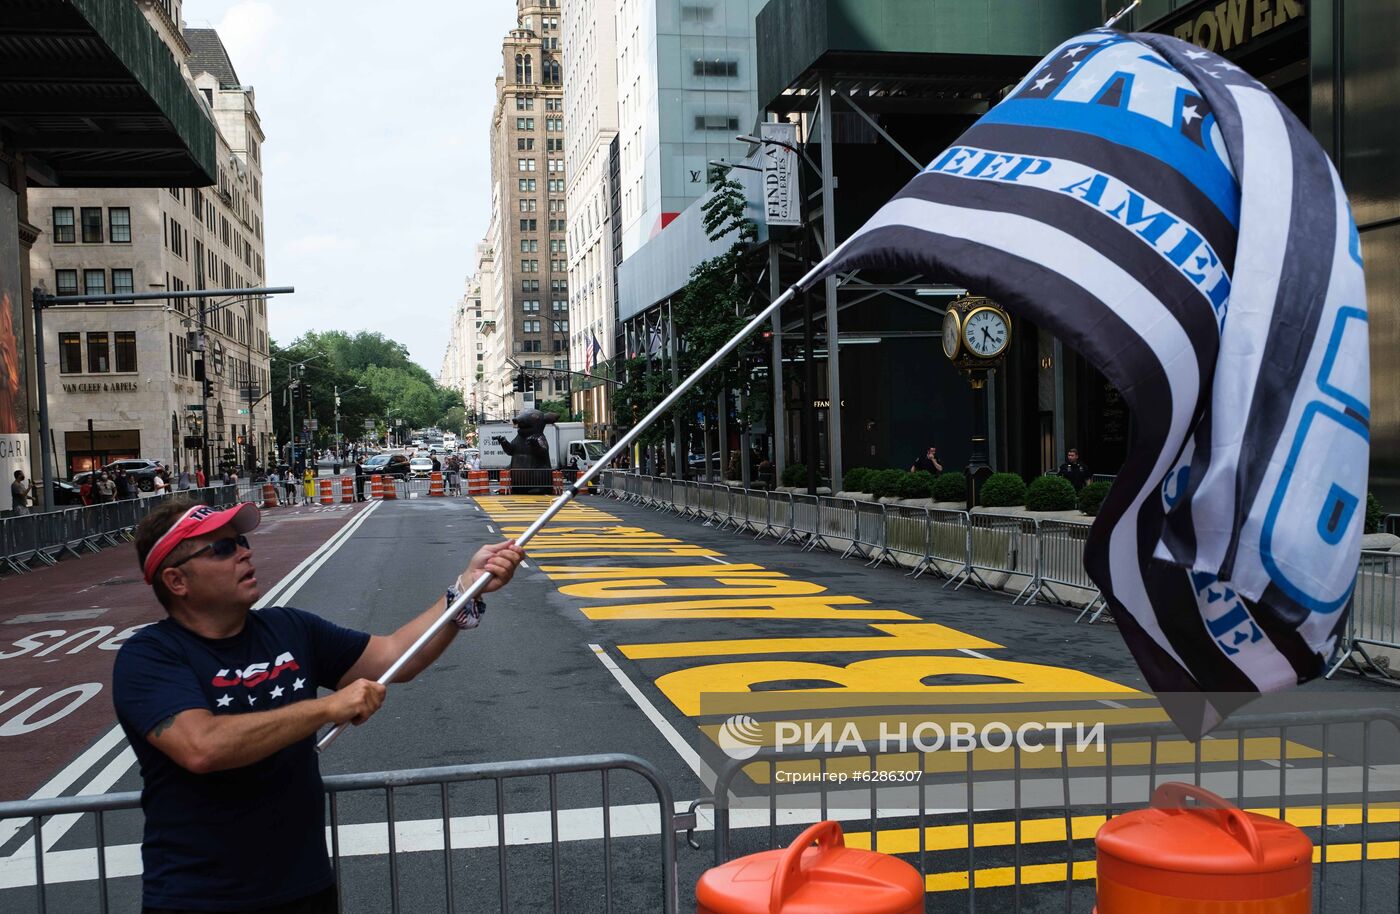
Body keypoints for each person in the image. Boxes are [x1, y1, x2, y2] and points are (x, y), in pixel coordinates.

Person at [113, 499, 524, 913]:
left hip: (305, 888)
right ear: (176, 580)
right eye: (221, 549)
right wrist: (327, 708)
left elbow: (396, 656)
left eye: (239, 540)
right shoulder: (150, 657)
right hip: (197, 898)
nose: (244, 551)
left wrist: (465, 588)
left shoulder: (289, 628)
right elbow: (201, 746)